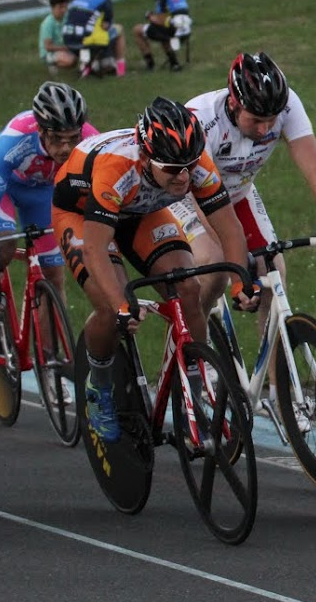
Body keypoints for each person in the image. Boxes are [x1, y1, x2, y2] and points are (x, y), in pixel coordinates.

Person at [52, 97, 260, 444]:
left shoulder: (193, 165)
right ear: (146, 157)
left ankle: (194, 394)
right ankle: (98, 386)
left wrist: (241, 281)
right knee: (108, 303)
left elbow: (229, 228)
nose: (183, 177)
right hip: (82, 212)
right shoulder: (116, 168)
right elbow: (95, 248)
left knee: (188, 289)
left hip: (143, 209)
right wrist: (120, 304)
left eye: (188, 166)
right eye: (172, 168)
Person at [168, 52, 316, 429]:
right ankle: (195, 353)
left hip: (238, 193)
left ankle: (280, 395)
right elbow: (202, 202)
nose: (265, 129)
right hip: (190, 199)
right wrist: (236, 263)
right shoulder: (201, 119)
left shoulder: (287, 105)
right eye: (256, 120)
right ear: (232, 103)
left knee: (275, 273)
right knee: (214, 269)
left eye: (271, 121)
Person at [0, 82, 98, 403]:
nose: (67, 147)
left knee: (53, 279)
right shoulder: (15, 139)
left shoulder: (91, 138)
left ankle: (49, 365)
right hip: (8, 189)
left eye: (73, 138)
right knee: (3, 244)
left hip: (43, 197)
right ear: (41, 130)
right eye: (58, 139)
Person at [61, 0, 126, 77]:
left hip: (68, 38)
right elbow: (105, 25)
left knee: (92, 29)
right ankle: (121, 70)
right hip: (86, 40)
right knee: (118, 30)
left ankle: (88, 66)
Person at [132, 0, 191, 73]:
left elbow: (160, 19)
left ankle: (150, 65)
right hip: (185, 30)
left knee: (137, 30)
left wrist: (150, 16)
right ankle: (174, 63)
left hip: (173, 30)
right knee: (161, 28)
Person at [37, 0, 78, 75]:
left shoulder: (68, 17)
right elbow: (48, 47)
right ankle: (51, 62)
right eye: (60, 7)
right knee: (71, 61)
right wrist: (67, 48)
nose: (63, 10)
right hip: (51, 52)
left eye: (65, 7)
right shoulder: (47, 24)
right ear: (53, 7)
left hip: (65, 46)